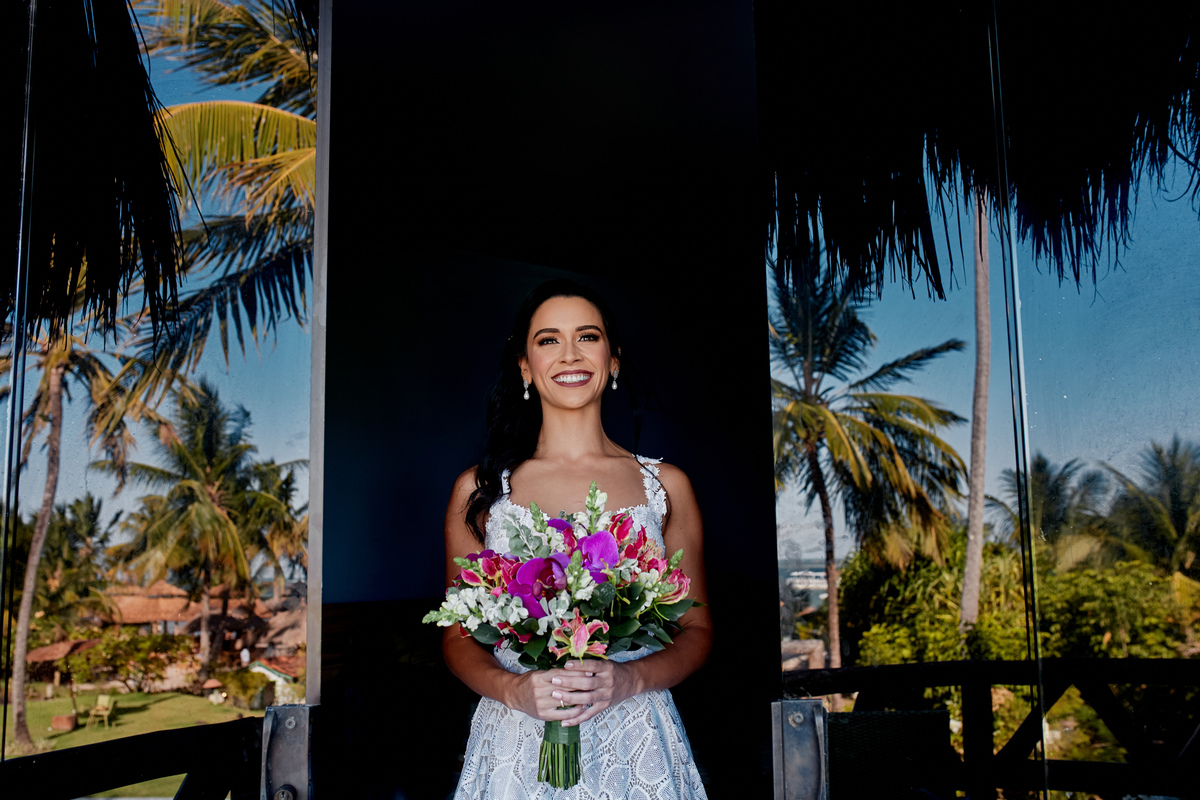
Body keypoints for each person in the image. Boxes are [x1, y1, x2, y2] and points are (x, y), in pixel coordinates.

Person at [443, 279, 712, 799]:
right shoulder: (478, 491)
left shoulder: (665, 486)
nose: (570, 353)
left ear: (612, 360)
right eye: (548, 339)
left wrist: (628, 679)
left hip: (635, 735)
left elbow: (698, 631)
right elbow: (456, 637)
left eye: (587, 336)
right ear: (524, 366)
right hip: (517, 736)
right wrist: (515, 690)